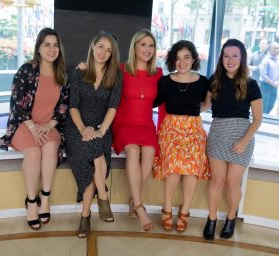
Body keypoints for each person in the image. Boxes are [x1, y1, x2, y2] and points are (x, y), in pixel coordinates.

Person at [0, 28, 69, 230]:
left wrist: (49, 125)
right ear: (39, 47)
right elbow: (17, 103)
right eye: (47, 45)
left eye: (55, 45)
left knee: (50, 148)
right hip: (24, 124)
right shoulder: (27, 70)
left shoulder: (62, 74)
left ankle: (45, 197)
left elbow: (64, 106)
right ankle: (31, 201)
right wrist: (33, 127)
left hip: (48, 125)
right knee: (34, 152)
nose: (52, 49)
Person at [202, 39, 262, 241]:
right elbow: (205, 107)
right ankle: (211, 220)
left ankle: (230, 219)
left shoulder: (252, 85)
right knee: (217, 180)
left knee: (231, 182)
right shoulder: (214, 80)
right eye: (226, 55)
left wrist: (245, 141)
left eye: (235, 56)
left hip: (241, 135)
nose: (230, 60)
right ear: (221, 58)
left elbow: (258, 118)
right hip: (218, 133)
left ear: (242, 58)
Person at [65, 31, 122, 238]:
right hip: (76, 129)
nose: (103, 52)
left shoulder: (115, 75)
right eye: (101, 47)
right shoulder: (79, 73)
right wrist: (83, 129)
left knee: (94, 155)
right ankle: (103, 197)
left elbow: (113, 107)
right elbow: (73, 106)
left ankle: (85, 216)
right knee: (95, 156)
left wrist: (101, 130)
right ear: (92, 46)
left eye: (109, 50)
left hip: (102, 128)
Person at [153, 40, 210, 233]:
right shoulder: (165, 82)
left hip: (194, 128)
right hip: (171, 128)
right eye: (177, 58)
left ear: (193, 59)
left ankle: (185, 210)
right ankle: (167, 208)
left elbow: (206, 105)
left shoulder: (204, 82)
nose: (182, 62)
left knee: (192, 170)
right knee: (174, 169)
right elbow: (152, 102)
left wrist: (191, 114)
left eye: (186, 57)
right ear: (172, 61)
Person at [112, 29, 162, 231]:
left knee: (149, 151)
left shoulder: (158, 73)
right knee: (133, 150)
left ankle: (134, 199)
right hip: (124, 122)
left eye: (151, 45)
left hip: (146, 123)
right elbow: (97, 74)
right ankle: (140, 207)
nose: (147, 49)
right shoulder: (121, 69)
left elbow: (165, 102)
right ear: (134, 47)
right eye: (143, 44)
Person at [259, 41, 279, 114]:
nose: (278, 49)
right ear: (270, 49)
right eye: (276, 48)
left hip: (275, 86)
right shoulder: (266, 60)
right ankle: (262, 120)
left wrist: (278, 81)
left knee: (271, 104)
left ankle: (265, 118)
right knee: (264, 105)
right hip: (266, 86)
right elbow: (263, 75)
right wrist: (273, 83)